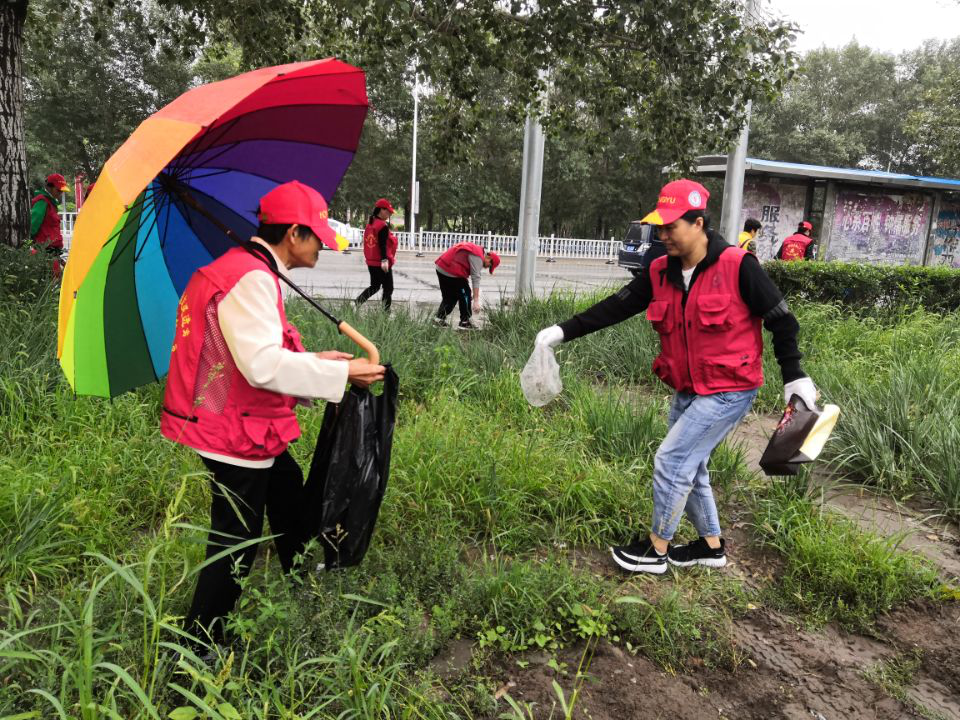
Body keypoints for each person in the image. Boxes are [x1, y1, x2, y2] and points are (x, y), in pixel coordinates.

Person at [535, 179, 818, 574]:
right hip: (688, 386)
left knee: (672, 460)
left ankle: (657, 549)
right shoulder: (659, 271)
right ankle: (711, 546)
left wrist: (795, 375)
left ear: (698, 223)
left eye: (671, 227)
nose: (663, 235)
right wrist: (563, 330)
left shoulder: (738, 265)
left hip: (730, 388)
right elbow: (615, 307)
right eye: (660, 227)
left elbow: (782, 320)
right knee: (691, 464)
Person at [160, 181, 386, 646]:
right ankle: (199, 644)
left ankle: (303, 574)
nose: (322, 244)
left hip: (236, 420)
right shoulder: (252, 278)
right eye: (317, 235)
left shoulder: (250, 269)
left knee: (286, 495)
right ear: (294, 235)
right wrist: (341, 380)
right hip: (233, 431)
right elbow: (262, 366)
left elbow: (253, 353)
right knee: (235, 539)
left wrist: (321, 362)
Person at [433, 242, 500, 330]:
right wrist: (476, 300)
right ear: (489, 258)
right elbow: (475, 277)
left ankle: (438, 319)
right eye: (490, 266)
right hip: (451, 270)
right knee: (466, 294)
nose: (487, 268)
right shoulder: (478, 256)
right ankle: (465, 322)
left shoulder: (477, 250)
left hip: (442, 267)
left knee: (450, 297)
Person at [356, 198, 398, 309]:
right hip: (381, 262)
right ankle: (385, 312)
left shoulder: (371, 223)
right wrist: (384, 260)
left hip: (371, 261)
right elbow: (382, 244)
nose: (389, 214)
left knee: (375, 286)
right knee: (388, 288)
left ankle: (357, 302)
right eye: (388, 211)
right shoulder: (382, 226)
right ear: (381, 210)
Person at [30, 173, 70, 275]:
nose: (60, 193)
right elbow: (33, 225)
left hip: (53, 252)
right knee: (53, 282)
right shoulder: (42, 202)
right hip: (45, 251)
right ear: (49, 187)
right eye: (58, 190)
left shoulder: (51, 203)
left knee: (58, 280)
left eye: (62, 191)